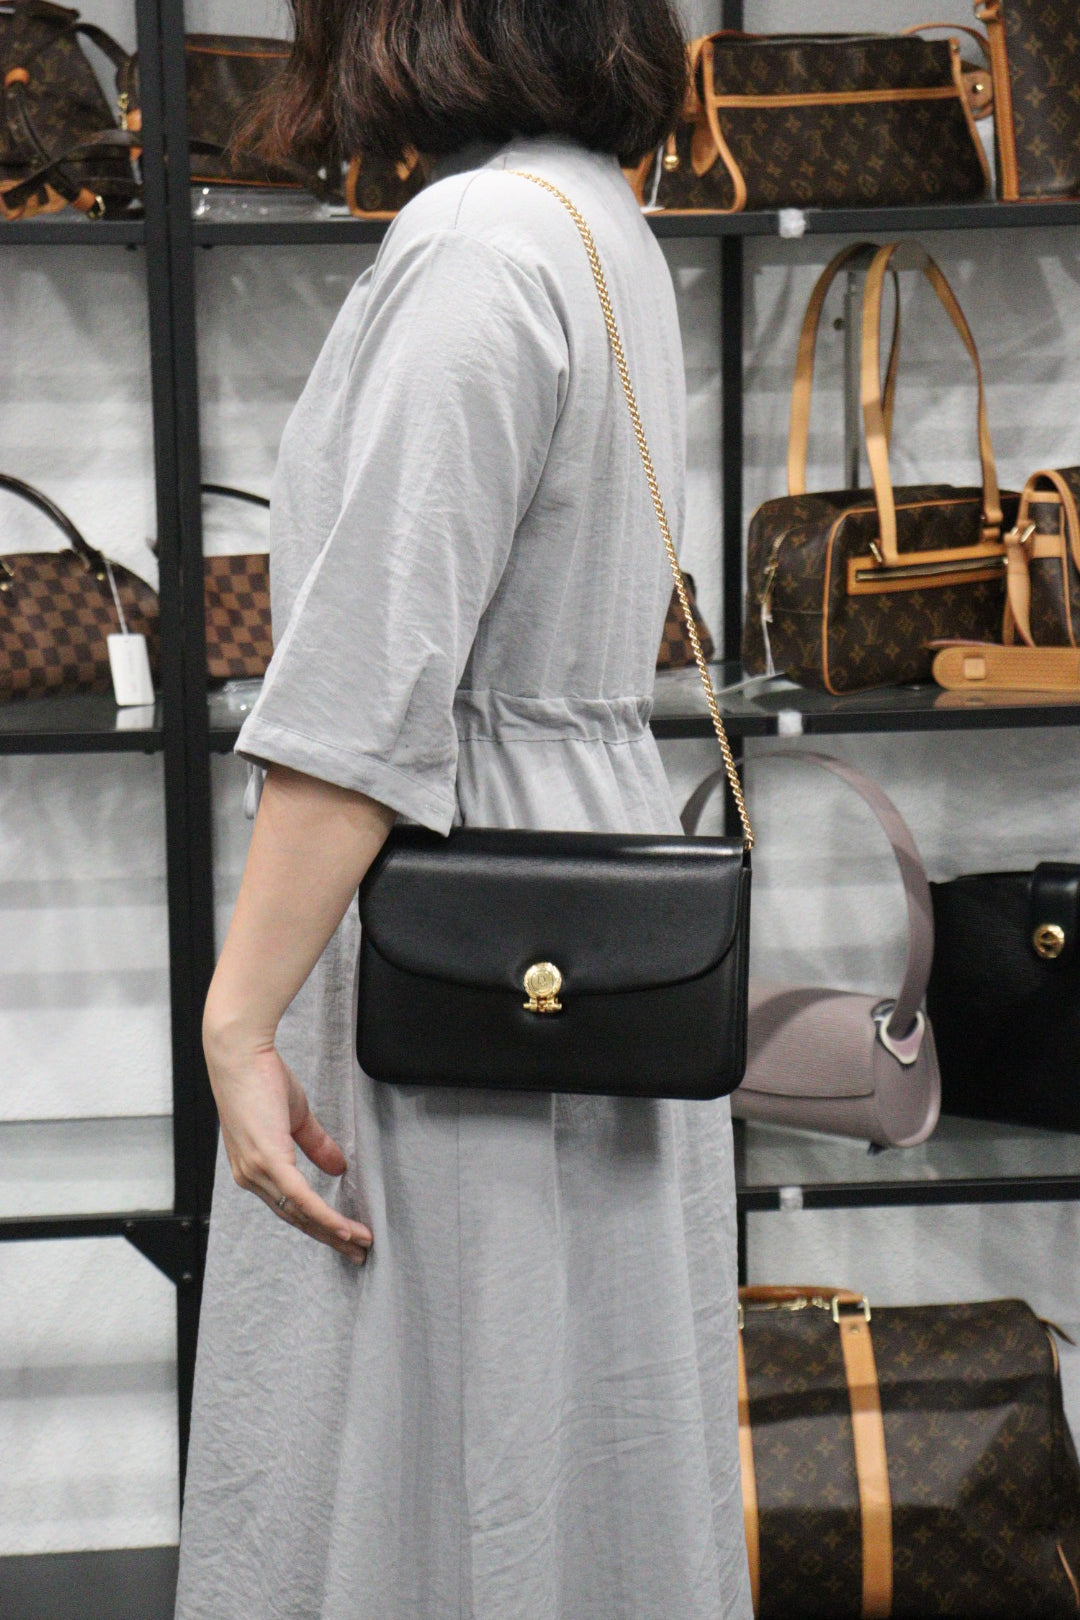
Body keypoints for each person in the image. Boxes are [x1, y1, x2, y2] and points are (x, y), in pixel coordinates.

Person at [174, 3, 752, 1617]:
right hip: (572, 871)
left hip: (459, 904)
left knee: (427, 1417)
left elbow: (370, 694)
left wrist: (238, 1021)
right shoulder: (594, 215)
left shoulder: (475, 245)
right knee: (551, 1417)